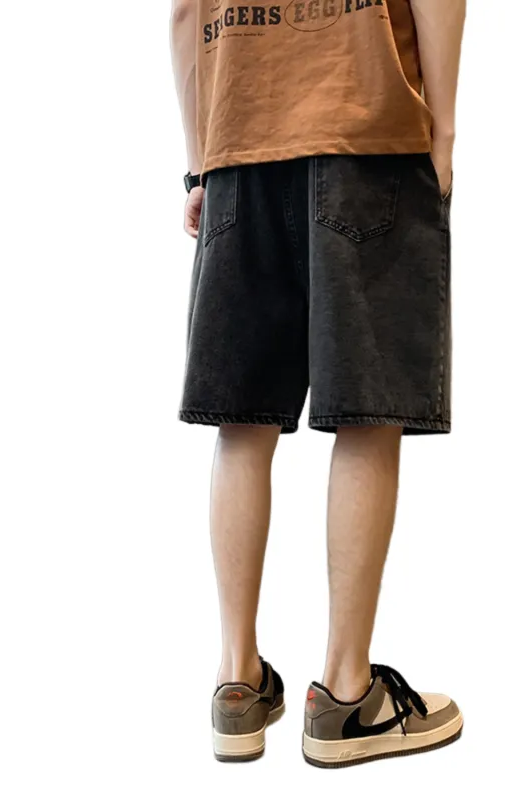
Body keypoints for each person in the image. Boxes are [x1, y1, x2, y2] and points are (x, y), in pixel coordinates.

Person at [171, 0, 466, 768]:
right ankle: (344, 694)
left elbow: (183, 13)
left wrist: (201, 160)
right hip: (364, 125)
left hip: (237, 138)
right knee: (368, 408)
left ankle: (237, 678)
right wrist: (441, 131)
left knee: (242, 421)